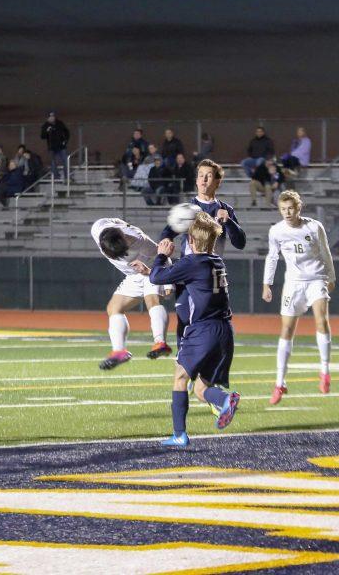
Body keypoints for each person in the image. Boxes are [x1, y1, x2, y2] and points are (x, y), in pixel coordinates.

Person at [151, 212, 241, 447]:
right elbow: (188, 278)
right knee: (202, 388)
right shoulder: (216, 262)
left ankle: (179, 434)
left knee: (180, 378)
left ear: (190, 240)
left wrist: (161, 256)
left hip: (203, 330)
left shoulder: (192, 262)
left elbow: (156, 277)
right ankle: (224, 399)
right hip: (225, 331)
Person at [160, 159, 246, 353]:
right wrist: (167, 268)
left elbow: (240, 243)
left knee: (211, 322)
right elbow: (165, 236)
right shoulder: (187, 209)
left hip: (213, 275)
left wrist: (230, 222)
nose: (204, 180)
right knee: (183, 318)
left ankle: (207, 367)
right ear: (196, 180)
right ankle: (184, 363)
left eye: (209, 176)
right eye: (200, 175)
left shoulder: (225, 209)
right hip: (188, 273)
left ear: (217, 182)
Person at [262, 191, 335, 401]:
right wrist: (267, 284)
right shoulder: (276, 231)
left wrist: (331, 276)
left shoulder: (314, 226)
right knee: (286, 330)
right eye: (283, 209)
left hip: (316, 279)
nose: (287, 212)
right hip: (293, 284)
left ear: (299, 207)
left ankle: (324, 371)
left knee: (321, 320)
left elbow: (325, 251)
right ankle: (279, 383)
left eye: (291, 208)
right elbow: (272, 257)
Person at [91, 218, 173, 370]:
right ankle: (119, 351)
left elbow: (161, 255)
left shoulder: (138, 239)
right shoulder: (97, 228)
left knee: (152, 301)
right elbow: (115, 221)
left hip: (151, 269)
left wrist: (168, 280)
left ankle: (160, 342)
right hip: (133, 276)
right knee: (114, 308)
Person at [40, 110, 70, 180]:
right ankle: (56, 177)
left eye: (53, 116)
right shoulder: (45, 125)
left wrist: (65, 141)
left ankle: (67, 176)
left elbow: (66, 132)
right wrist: (47, 131)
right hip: (51, 147)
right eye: (50, 117)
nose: (52, 118)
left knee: (65, 161)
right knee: (53, 162)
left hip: (61, 146)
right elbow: (42, 136)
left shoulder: (60, 123)